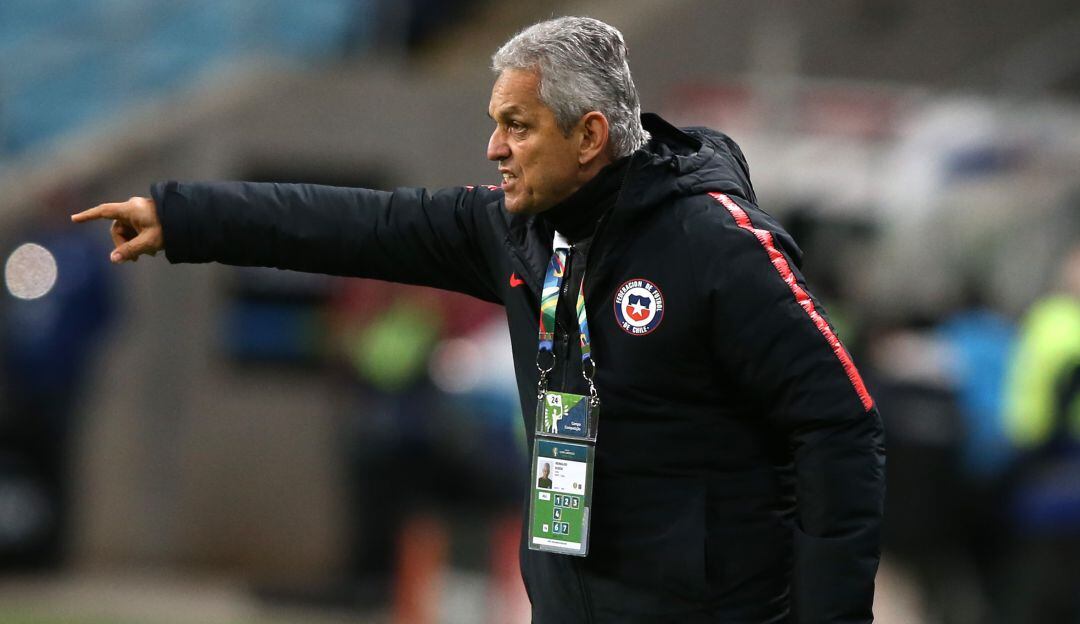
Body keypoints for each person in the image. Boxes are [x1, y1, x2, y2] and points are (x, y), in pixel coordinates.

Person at [72, 16, 885, 623]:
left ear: (590, 135)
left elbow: (840, 424)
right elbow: (355, 224)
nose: (494, 148)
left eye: (518, 126)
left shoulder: (715, 245)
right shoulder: (515, 228)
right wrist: (184, 218)